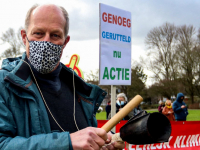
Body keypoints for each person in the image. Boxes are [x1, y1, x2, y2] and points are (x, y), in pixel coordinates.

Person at [0, 4, 125, 150]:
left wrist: (101, 144)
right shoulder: (4, 84)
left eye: (55, 35)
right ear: (24, 37)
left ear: (65, 42)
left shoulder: (79, 89)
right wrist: (67, 142)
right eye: (38, 33)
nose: (46, 41)